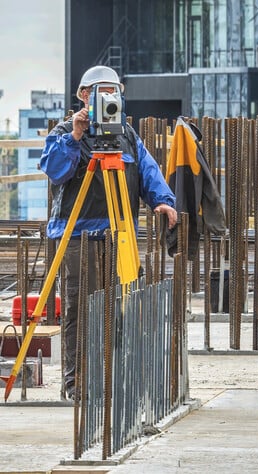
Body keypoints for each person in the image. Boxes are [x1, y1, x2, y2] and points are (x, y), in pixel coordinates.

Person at [39, 65, 178, 399]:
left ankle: (116, 378)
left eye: (113, 91)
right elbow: (54, 170)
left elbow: (147, 169)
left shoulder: (127, 135)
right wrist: (75, 136)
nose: (108, 97)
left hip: (119, 234)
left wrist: (162, 200)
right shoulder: (64, 131)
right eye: (100, 91)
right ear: (84, 96)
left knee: (123, 305)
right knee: (79, 310)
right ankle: (77, 385)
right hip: (77, 237)